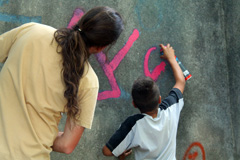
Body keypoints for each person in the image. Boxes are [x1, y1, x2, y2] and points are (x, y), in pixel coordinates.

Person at [0, 6, 124, 160]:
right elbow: (66, 145)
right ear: (102, 47)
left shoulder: (31, 31)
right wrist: (40, 135)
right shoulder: (88, 82)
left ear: (82, 20)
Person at [102, 44, 186, 160]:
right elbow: (181, 82)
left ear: (134, 104)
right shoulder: (170, 109)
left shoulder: (133, 124)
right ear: (160, 99)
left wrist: (121, 154)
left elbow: (106, 151)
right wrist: (171, 57)